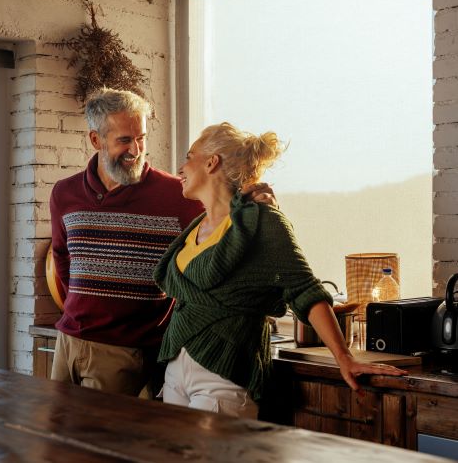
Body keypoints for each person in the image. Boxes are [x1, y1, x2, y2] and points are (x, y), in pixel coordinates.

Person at [154, 121, 408, 418]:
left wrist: (344, 357)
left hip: (224, 374)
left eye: (188, 156)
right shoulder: (196, 227)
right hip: (176, 368)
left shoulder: (262, 222)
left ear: (212, 162)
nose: (180, 168)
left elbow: (305, 290)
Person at [49, 89, 276, 396]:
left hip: (128, 351)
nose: (136, 149)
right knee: (58, 438)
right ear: (95, 140)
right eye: (124, 140)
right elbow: (62, 258)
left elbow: (224, 224)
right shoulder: (64, 193)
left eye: (140, 137)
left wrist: (254, 200)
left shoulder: (177, 196)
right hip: (68, 341)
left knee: (102, 441)